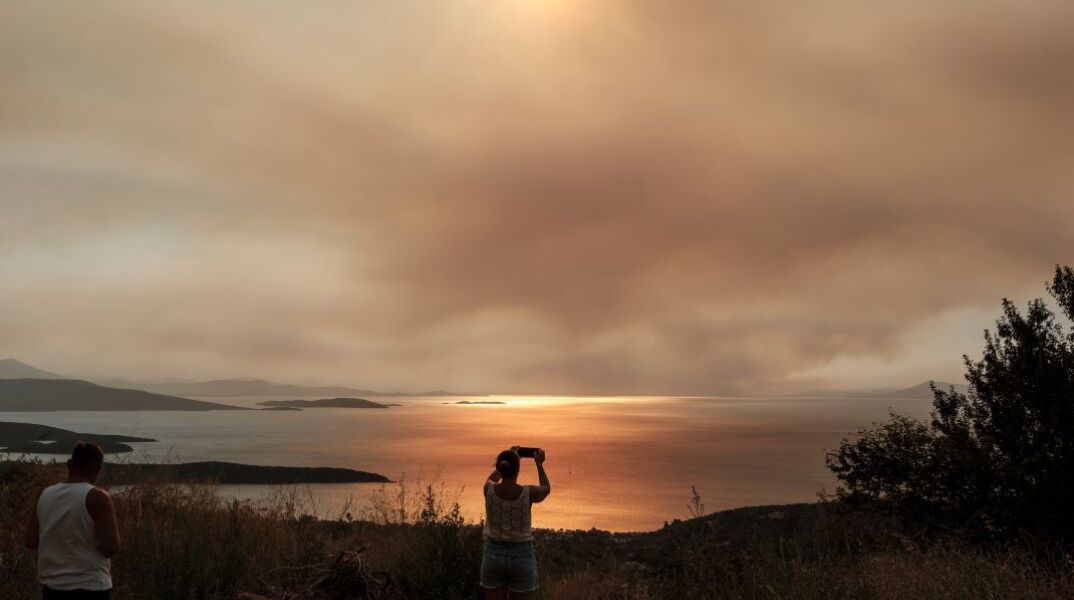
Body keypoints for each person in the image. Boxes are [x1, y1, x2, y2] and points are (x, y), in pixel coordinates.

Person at [24, 442, 120, 600]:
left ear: (69, 465)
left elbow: (31, 541)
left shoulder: (46, 494)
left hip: (52, 587)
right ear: (97, 469)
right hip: (90, 587)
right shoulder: (97, 497)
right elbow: (111, 547)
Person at [480, 446, 550, 599]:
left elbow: (491, 479)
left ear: (500, 468)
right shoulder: (528, 493)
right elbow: (546, 488)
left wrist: (512, 458)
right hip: (521, 556)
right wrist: (539, 464)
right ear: (518, 470)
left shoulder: (488, 489)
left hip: (493, 555)